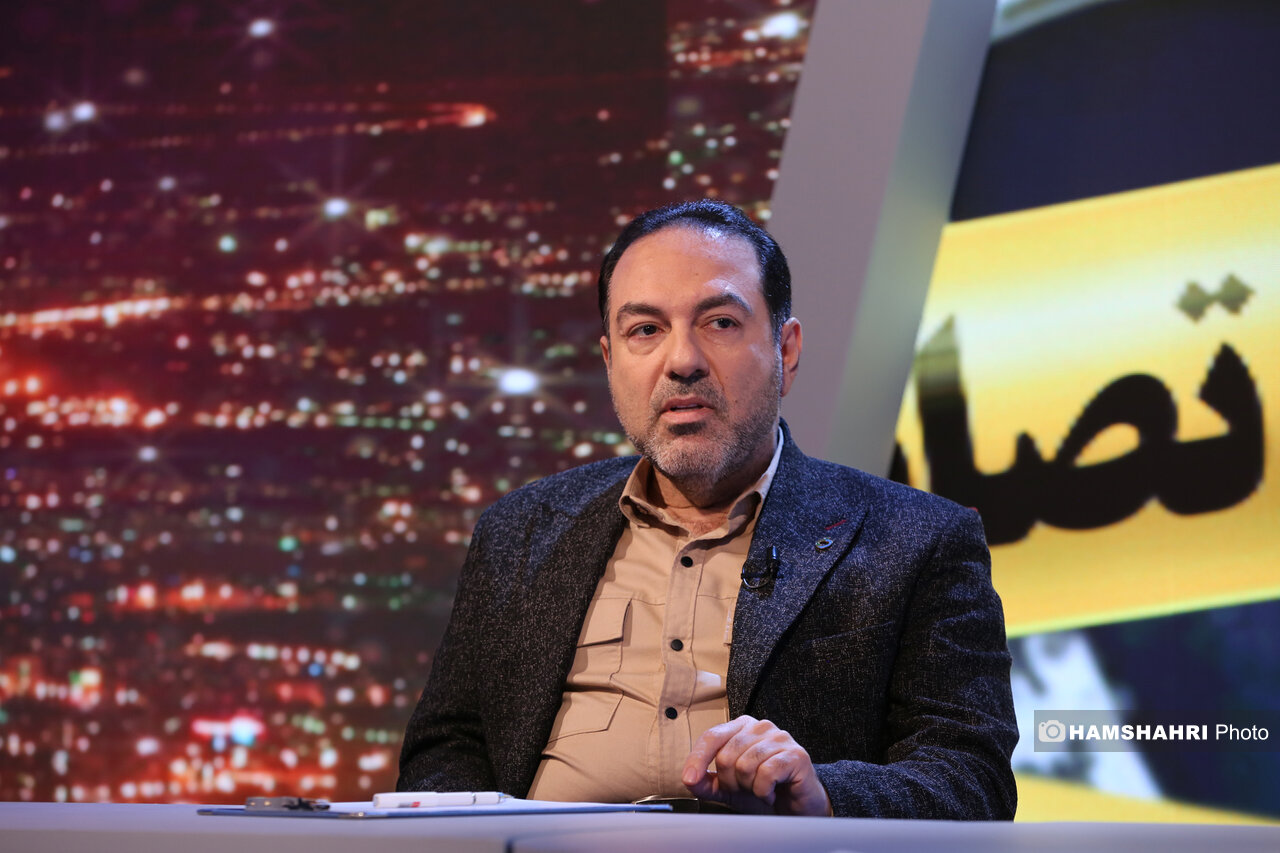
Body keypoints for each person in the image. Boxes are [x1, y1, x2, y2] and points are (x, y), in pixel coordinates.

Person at [397, 200, 1018, 818]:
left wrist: (824, 795)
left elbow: (972, 776)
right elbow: (448, 747)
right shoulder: (520, 532)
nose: (682, 361)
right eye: (646, 330)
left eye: (720, 322)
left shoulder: (917, 540)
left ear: (786, 350)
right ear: (610, 361)